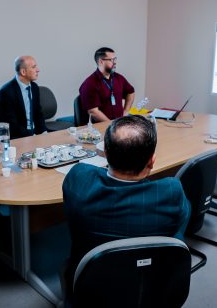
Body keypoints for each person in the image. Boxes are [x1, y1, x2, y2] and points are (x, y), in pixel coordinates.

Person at [62, 115, 191, 292]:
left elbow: (86, 170)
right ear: (152, 161)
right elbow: (183, 219)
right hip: (152, 285)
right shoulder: (171, 191)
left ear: (105, 152)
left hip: (93, 285)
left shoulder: (79, 181)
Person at [0, 56, 46, 139]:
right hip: (19, 136)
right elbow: (11, 124)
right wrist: (32, 137)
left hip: (35, 132)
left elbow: (38, 113)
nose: (38, 70)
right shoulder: (5, 93)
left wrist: (43, 132)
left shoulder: (34, 87)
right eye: (33, 67)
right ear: (23, 72)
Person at [79, 47, 135, 122]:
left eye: (115, 59)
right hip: (100, 127)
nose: (115, 62)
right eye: (111, 60)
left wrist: (125, 112)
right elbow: (93, 112)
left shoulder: (119, 78)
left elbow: (131, 92)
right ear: (101, 61)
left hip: (119, 123)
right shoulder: (89, 84)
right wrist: (111, 125)